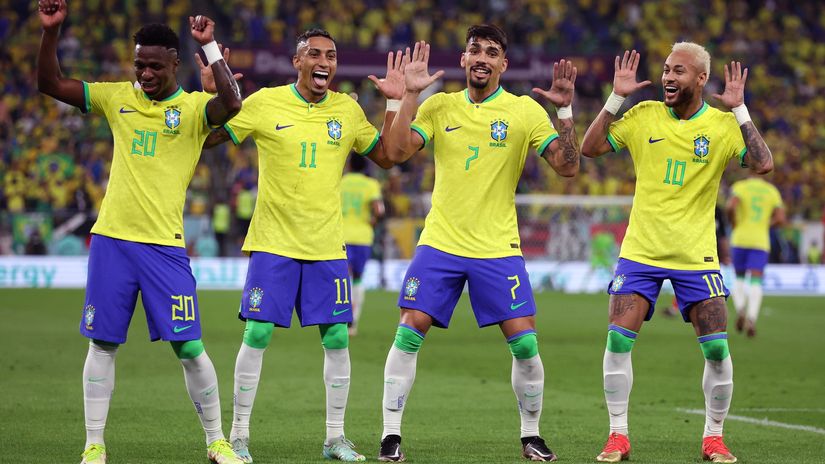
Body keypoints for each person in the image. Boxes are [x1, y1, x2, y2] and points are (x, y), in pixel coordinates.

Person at [37, 1, 244, 464]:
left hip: (164, 248)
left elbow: (233, 103)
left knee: (190, 347)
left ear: (175, 63)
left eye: (154, 66)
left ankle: (216, 440)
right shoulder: (117, 97)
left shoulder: (193, 111)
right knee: (103, 342)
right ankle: (94, 444)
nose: (144, 74)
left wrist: (209, 46)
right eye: (138, 65)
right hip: (112, 240)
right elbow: (49, 83)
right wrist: (51, 32)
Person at [379, 24, 581, 462]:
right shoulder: (439, 105)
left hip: (497, 247)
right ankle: (390, 435)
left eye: (492, 52)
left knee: (525, 344)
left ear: (503, 64)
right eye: (475, 50)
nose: (483, 57)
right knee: (410, 328)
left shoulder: (524, 111)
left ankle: (531, 435)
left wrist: (564, 113)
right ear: (463, 59)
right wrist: (409, 95)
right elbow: (395, 154)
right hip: (440, 243)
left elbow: (567, 167)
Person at [200, 29, 401, 462]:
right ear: (298, 61)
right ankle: (237, 436)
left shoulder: (347, 109)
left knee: (336, 339)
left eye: (331, 54)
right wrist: (207, 103)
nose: (324, 61)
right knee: (257, 332)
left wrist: (395, 104)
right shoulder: (265, 102)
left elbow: (385, 155)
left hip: (328, 244)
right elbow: (209, 138)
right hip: (273, 241)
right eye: (315, 54)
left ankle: (334, 439)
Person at [580, 44, 774, 463]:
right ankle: (617, 436)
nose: (668, 77)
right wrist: (616, 98)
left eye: (679, 71)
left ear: (701, 79)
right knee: (617, 341)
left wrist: (740, 110)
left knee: (717, 350)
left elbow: (763, 164)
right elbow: (590, 148)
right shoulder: (643, 115)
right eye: (666, 70)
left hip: (695, 256)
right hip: (640, 251)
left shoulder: (722, 127)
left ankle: (714, 439)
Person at [727, 175, 785, 337]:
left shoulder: (740, 186)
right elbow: (780, 218)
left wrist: (733, 222)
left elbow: (731, 206)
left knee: (738, 278)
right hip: (760, 241)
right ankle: (751, 318)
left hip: (740, 238)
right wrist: (766, 224)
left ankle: (740, 309)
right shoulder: (771, 191)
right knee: (756, 281)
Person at [340, 154, 385, 336]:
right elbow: (379, 210)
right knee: (358, 278)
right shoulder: (371, 184)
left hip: (340, 235)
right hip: (362, 236)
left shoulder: (340, 182)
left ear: (349, 165)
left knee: (342, 278)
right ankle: (353, 322)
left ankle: (341, 317)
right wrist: (372, 222)